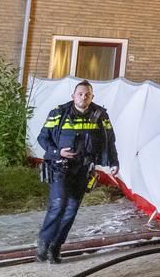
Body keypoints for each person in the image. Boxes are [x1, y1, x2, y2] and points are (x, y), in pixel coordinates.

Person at [36, 81, 118, 263]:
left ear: (92, 97)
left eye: (87, 94)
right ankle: (43, 243)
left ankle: (54, 248)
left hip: (83, 169)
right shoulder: (59, 113)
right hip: (59, 167)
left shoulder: (100, 115)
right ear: (73, 96)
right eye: (80, 94)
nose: (83, 97)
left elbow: (110, 140)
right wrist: (57, 152)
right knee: (59, 205)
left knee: (71, 210)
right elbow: (42, 138)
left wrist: (114, 162)